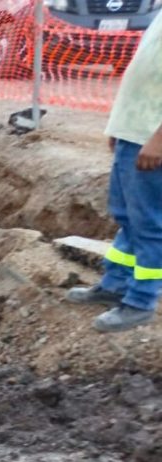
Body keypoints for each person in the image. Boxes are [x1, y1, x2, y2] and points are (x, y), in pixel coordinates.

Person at [66, 14, 162, 332]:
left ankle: (140, 302)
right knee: (127, 218)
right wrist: (118, 126)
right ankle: (115, 285)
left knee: (149, 225)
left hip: (151, 139)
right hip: (133, 132)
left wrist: (159, 139)